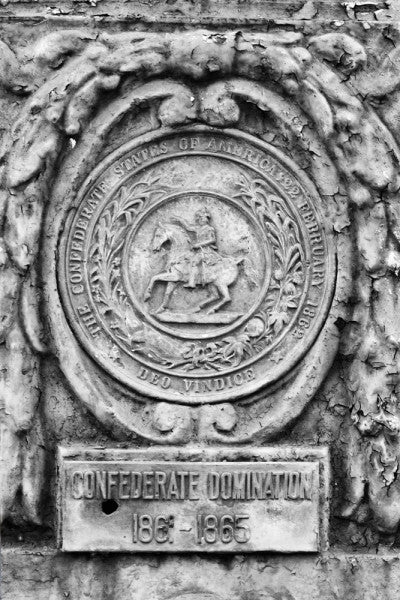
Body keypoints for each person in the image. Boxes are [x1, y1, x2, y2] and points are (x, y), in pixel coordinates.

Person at [171, 207, 221, 288]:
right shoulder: (198, 228)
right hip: (198, 251)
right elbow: (188, 227)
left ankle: (192, 282)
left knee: (194, 261)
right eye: (199, 218)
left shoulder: (209, 228)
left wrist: (199, 244)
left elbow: (212, 239)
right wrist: (179, 219)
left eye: (201, 218)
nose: (199, 220)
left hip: (206, 251)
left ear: (206, 219)